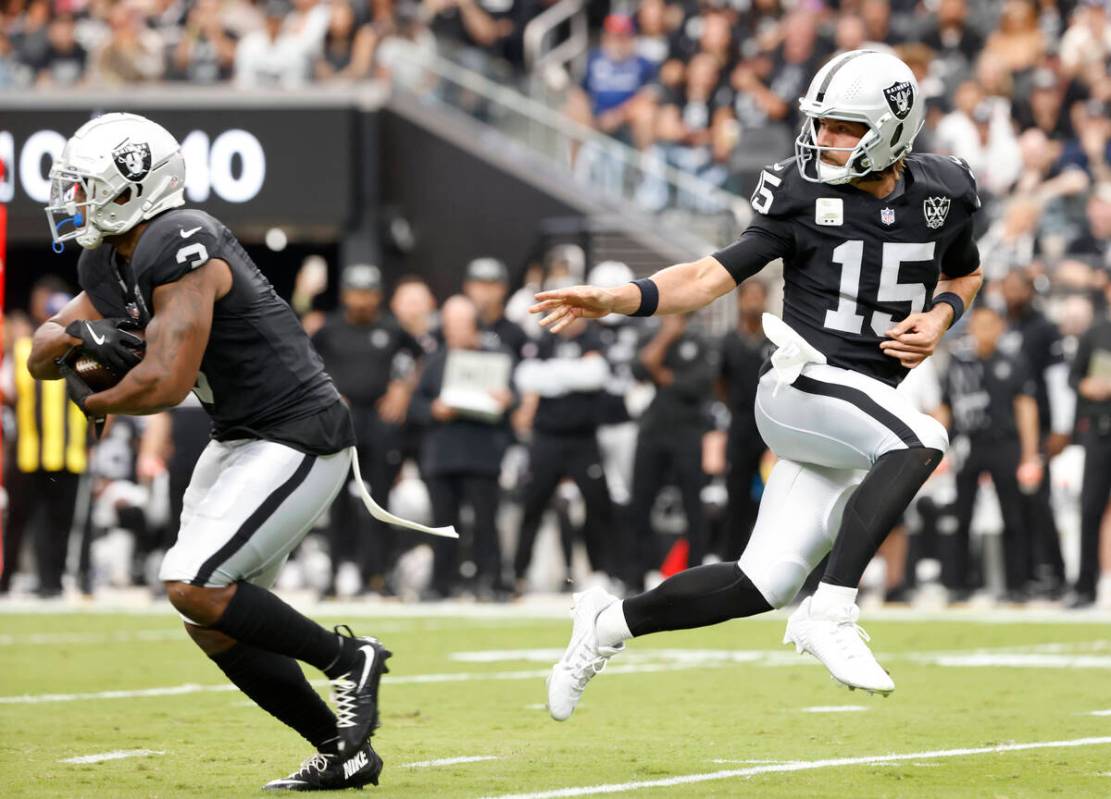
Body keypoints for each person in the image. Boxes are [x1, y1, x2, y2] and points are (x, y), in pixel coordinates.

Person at [530, 50, 983, 717]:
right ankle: (829, 609)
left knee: (760, 581)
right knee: (920, 436)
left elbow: (964, 274)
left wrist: (940, 318)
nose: (824, 139)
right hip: (800, 387)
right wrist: (618, 296)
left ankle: (604, 624)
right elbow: (709, 277)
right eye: (820, 124)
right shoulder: (797, 190)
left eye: (842, 128)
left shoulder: (946, 189)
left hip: (858, 408)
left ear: (892, 130)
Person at [32, 113, 398, 790]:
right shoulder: (107, 258)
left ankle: (350, 656)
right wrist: (79, 334)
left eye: (87, 187)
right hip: (242, 437)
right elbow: (40, 353)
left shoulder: (180, 238)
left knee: (192, 583)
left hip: (297, 431)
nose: (74, 201)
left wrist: (91, 391)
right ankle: (340, 749)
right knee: (209, 618)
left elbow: (164, 382)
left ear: (132, 188)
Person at [312, 263, 422, 597]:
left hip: (380, 420)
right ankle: (334, 575)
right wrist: (328, 392)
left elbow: (418, 357)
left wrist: (402, 388)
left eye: (368, 293)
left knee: (382, 500)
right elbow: (304, 363)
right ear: (345, 294)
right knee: (336, 501)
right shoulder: (328, 330)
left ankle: (379, 575)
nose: (362, 300)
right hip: (341, 421)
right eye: (356, 293)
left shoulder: (392, 328)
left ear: (378, 295)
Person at [409, 295, 516, 599]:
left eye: (461, 325)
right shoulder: (434, 361)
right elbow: (415, 406)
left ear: (475, 326)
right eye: (450, 326)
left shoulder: (497, 356)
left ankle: (491, 582)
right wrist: (434, 409)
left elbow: (516, 398)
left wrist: (507, 400)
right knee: (443, 523)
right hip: (442, 454)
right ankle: (441, 583)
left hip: (482, 453)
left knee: (485, 521)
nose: (455, 332)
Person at [938, 303, 1041, 602]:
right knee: (961, 516)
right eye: (979, 325)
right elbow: (945, 406)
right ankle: (958, 585)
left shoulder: (1013, 361)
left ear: (1000, 328)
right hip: (969, 444)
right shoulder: (959, 363)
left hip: (1004, 445)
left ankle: (1016, 585)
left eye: (990, 325)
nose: (984, 331)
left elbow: (1026, 409)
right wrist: (940, 449)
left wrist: (1030, 455)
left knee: (1013, 516)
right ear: (971, 328)